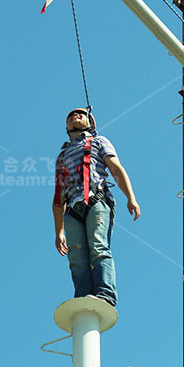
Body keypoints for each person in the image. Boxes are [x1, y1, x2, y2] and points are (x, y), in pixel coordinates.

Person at [52, 108, 140, 306]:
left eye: (81, 114)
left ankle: (105, 294)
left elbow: (116, 169)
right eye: (71, 116)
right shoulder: (62, 156)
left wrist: (130, 197)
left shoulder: (99, 141)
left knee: (98, 247)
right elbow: (58, 197)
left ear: (90, 121)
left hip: (96, 200)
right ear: (66, 126)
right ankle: (83, 298)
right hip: (73, 210)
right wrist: (59, 231)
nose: (75, 116)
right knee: (76, 256)